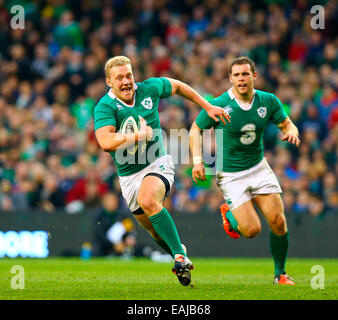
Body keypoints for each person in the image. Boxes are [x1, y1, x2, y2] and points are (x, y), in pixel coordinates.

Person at [94, 55, 230, 286]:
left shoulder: (150, 88)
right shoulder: (105, 106)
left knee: (148, 200)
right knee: (155, 231)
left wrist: (207, 106)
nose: (126, 81)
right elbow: (105, 141)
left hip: (157, 163)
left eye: (129, 75)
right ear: (109, 82)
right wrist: (139, 136)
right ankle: (181, 253)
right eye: (119, 78)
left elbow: (177, 86)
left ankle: (178, 256)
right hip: (128, 177)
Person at [189, 56, 300, 285]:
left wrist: (293, 132)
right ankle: (228, 214)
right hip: (231, 175)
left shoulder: (268, 101)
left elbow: (287, 124)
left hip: (259, 168)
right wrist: (198, 161)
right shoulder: (219, 104)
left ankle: (280, 274)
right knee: (251, 230)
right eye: (237, 75)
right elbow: (194, 130)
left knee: (278, 221)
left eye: (245, 74)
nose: (241, 78)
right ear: (230, 78)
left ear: (254, 76)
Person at [93, 191, 136, 257]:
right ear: (104, 202)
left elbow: (130, 229)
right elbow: (100, 235)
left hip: (122, 247)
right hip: (104, 249)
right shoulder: (99, 216)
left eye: (114, 200)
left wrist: (130, 237)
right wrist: (114, 244)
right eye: (109, 200)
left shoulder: (122, 215)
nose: (112, 202)